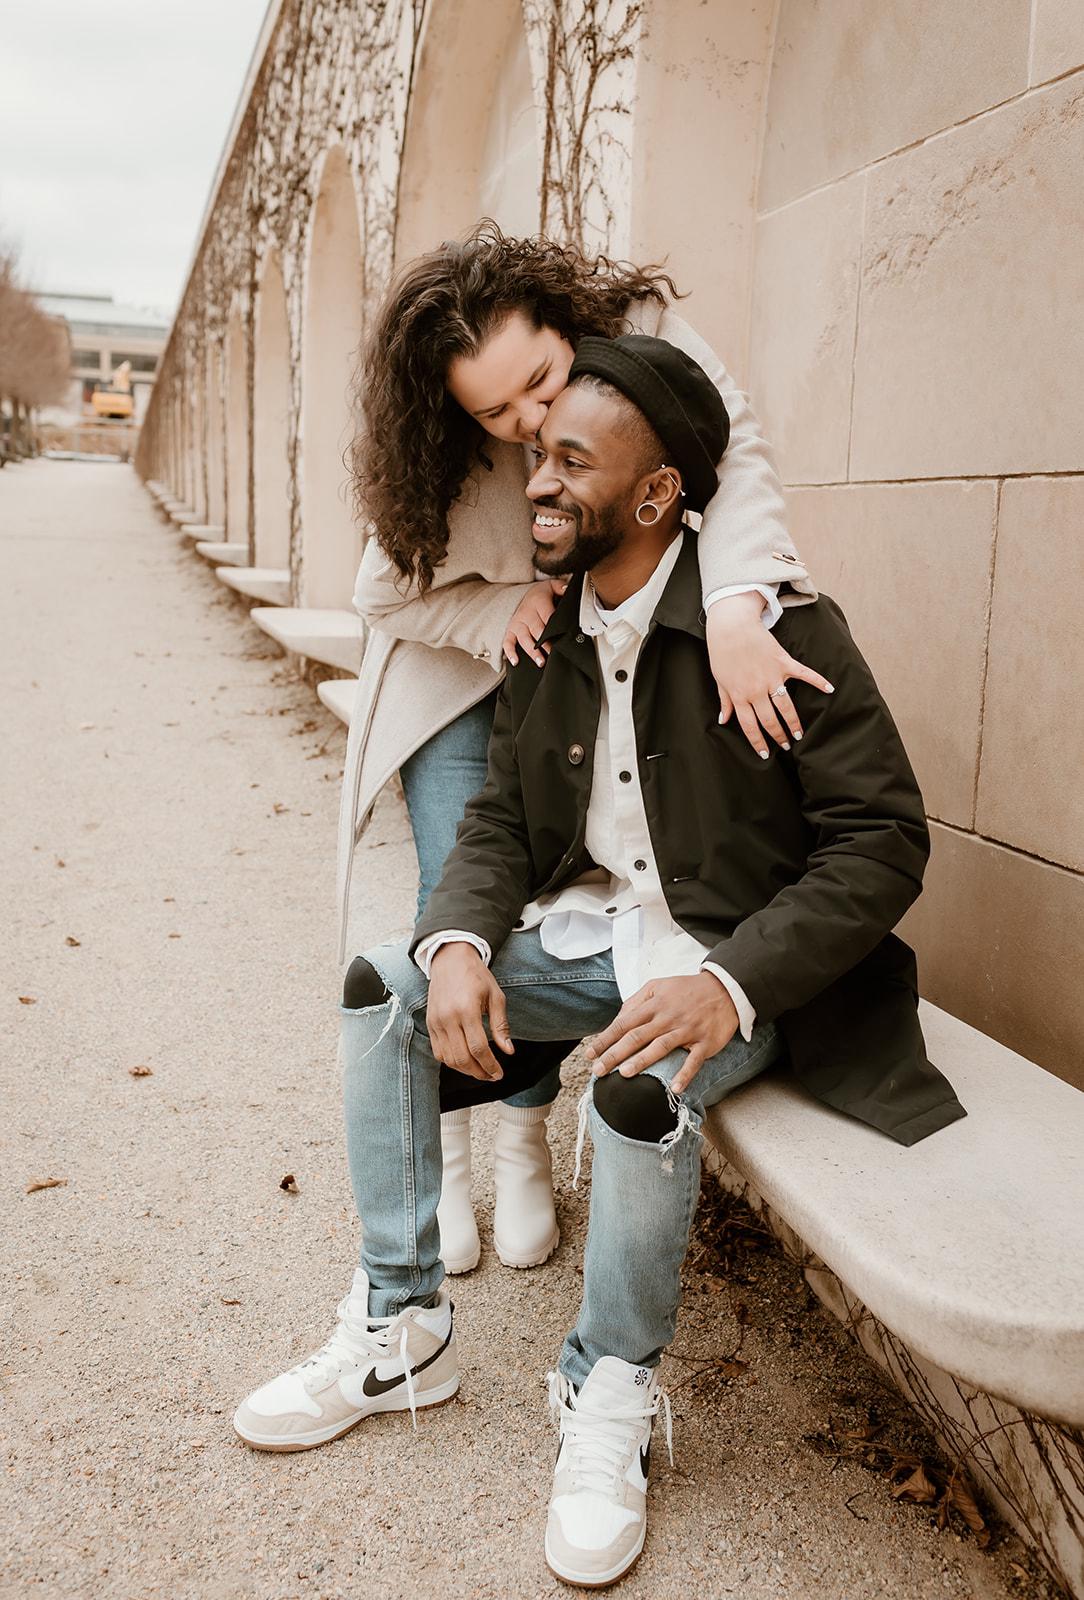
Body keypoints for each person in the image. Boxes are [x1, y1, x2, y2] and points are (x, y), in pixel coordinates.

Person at [235, 334, 965, 1588]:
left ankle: (610, 1388)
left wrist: (729, 983)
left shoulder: (780, 629)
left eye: (573, 460)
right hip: (598, 934)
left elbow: (882, 839)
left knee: (638, 1083)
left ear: (658, 492)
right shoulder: (552, 632)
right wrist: (456, 941)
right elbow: (503, 823)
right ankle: (400, 1325)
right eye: (540, 456)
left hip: (744, 967)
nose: (539, 478)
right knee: (385, 990)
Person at [339, 222, 832, 1272]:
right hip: (466, 675)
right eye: (496, 414)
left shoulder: (639, 335)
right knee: (458, 901)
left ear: (569, 328)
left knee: (548, 893)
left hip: (589, 652)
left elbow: (734, 458)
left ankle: (523, 1138)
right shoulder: (445, 454)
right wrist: (498, 611)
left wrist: (737, 608)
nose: (528, 423)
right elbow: (381, 594)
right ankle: (449, 1149)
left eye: (540, 383)